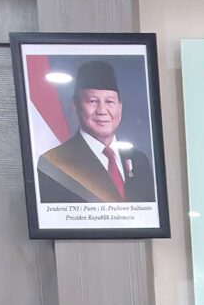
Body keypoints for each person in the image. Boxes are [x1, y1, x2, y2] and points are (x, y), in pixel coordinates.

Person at [36, 59, 159, 206]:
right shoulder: (54, 162)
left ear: (120, 107)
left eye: (109, 102)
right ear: (75, 105)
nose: (102, 111)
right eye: (93, 101)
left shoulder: (139, 160)